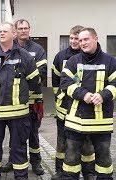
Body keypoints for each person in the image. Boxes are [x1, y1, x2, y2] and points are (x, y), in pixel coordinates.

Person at [0, 22, 42, 180]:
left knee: (18, 147)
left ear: (14, 34)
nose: (1, 33)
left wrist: (23, 99)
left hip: (18, 113)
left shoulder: (25, 56)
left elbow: (35, 82)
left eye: (5, 31)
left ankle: (21, 175)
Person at [60, 27, 115, 179]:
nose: (82, 43)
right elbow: (65, 83)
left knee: (103, 161)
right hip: (76, 121)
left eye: (86, 39)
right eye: (80, 40)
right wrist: (82, 94)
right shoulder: (73, 61)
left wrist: (104, 95)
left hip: (101, 122)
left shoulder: (110, 61)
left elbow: (115, 83)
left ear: (95, 39)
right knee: (71, 160)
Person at [1, 19, 46, 175]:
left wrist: (21, 83)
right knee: (15, 134)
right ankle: (13, 160)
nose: (23, 31)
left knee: (33, 134)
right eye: (20, 28)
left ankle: (36, 163)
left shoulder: (38, 50)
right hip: (14, 102)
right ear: (15, 31)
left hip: (33, 99)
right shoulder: (8, 48)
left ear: (29, 30)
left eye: (26, 28)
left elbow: (42, 73)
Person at [51, 25, 95, 180]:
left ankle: (88, 172)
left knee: (86, 142)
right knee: (62, 141)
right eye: (71, 38)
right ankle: (60, 170)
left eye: (77, 38)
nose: (74, 41)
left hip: (84, 106)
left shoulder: (89, 56)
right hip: (64, 107)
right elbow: (55, 78)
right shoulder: (60, 56)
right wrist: (58, 96)